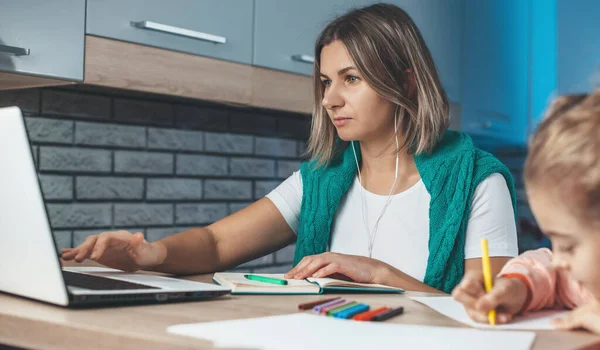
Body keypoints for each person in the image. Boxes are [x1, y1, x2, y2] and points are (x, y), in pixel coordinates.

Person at [61, 3, 518, 294]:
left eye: (351, 79)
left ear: (405, 81)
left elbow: (491, 319)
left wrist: (379, 274)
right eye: (325, 81)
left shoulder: (476, 180)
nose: (328, 99)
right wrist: (151, 255)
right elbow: (218, 242)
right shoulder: (322, 178)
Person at [452, 91, 600, 332]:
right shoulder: (581, 279)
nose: (559, 260)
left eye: (569, 246)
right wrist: (517, 288)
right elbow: (551, 272)